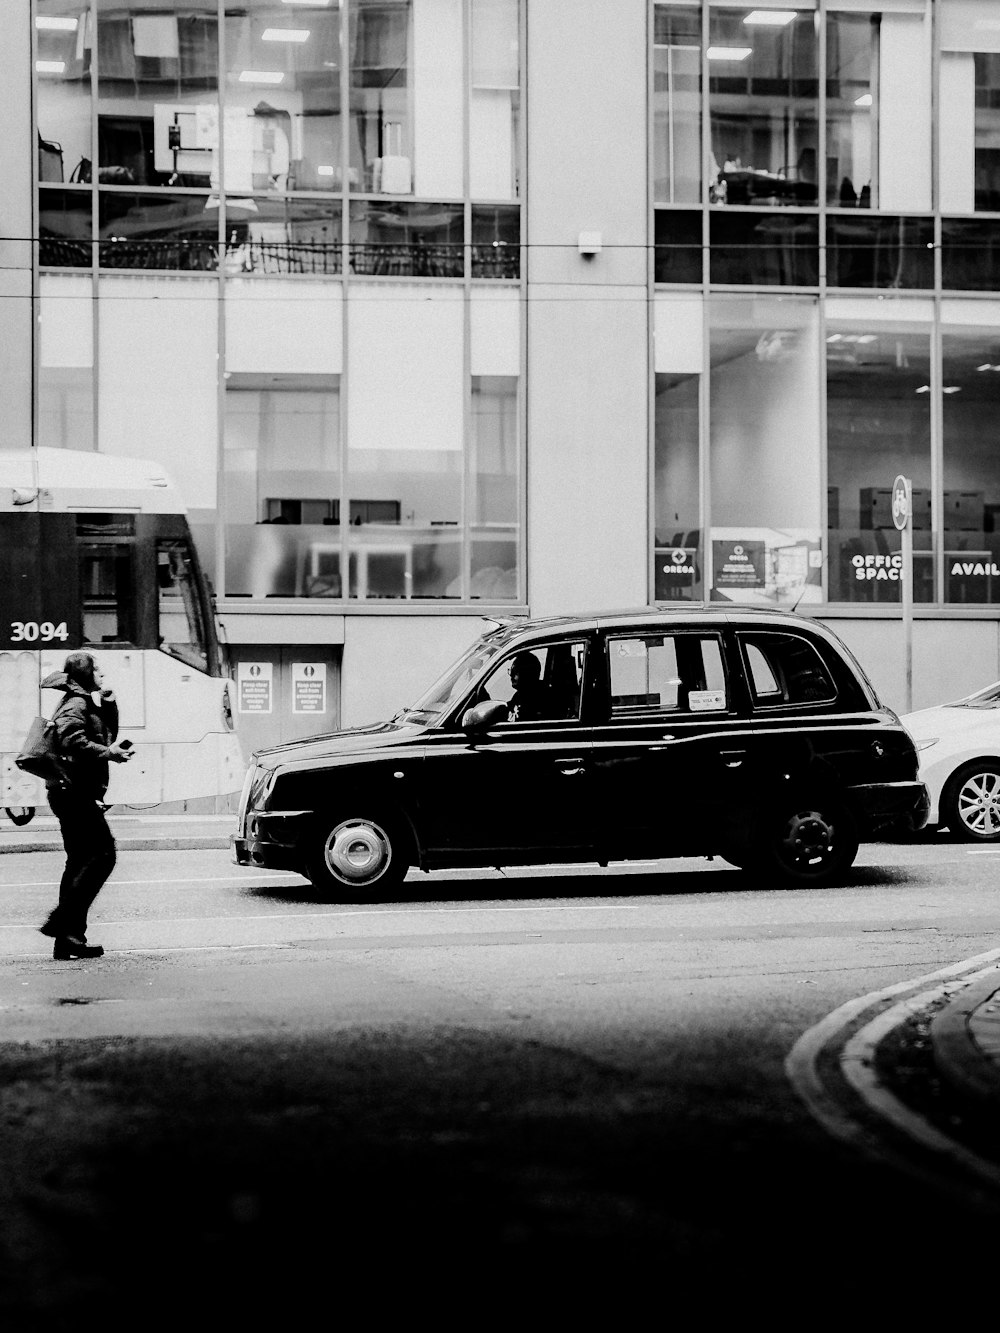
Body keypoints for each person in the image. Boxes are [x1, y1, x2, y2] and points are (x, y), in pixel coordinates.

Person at [38, 652, 133, 961]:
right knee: (103, 855)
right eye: (97, 669)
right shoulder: (76, 703)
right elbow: (71, 740)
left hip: (71, 791)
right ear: (85, 673)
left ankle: (70, 940)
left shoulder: (81, 700)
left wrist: (109, 704)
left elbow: (106, 736)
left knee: (79, 861)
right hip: (73, 793)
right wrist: (109, 754)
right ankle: (62, 922)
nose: (102, 674)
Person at [506, 652, 558, 723]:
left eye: (515, 671)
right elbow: (507, 708)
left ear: (527, 673)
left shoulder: (541, 697)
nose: (511, 675)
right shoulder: (521, 694)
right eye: (511, 671)